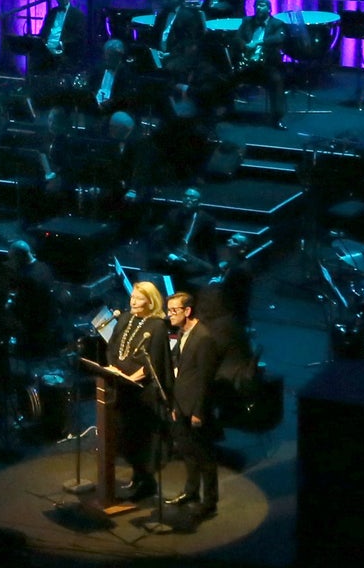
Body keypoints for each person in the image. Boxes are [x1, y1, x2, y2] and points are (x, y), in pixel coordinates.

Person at [106, 281, 173, 501]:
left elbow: (154, 361)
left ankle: (146, 482)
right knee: (125, 435)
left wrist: (131, 379)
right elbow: (113, 346)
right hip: (122, 387)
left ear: (150, 301)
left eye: (138, 298)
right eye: (132, 296)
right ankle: (136, 476)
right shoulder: (125, 318)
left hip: (142, 392)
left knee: (142, 438)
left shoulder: (157, 326)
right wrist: (114, 368)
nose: (132, 301)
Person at [166, 291, 224, 519]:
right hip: (181, 403)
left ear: (187, 311)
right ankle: (191, 492)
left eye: (173, 311)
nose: (169, 315)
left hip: (196, 408)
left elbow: (205, 379)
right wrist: (174, 405)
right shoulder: (184, 333)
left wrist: (198, 411)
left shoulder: (204, 338)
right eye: (168, 310)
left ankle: (209, 502)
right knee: (187, 451)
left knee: (204, 456)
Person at [230, 0, 288, 129]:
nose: (258, 8)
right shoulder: (247, 21)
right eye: (256, 5)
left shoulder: (277, 23)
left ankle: (277, 118)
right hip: (247, 64)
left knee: (276, 81)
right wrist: (245, 46)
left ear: (269, 8)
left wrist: (258, 42)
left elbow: (279, 38)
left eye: (262, 5)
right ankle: (228, 111)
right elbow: (237, 38)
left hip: (266, 66)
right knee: (226, 78)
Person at [155, 186, 221, 286]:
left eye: (193, 197)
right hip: (172, 253)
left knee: (205, 269)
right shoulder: (173, 215)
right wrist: (170, 255)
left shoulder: (207, 220)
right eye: (186, 196)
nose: (188, 199)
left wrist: (216, 267)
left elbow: (210, 245)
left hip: (192, 256)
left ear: (199, 202)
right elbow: (162, 239)